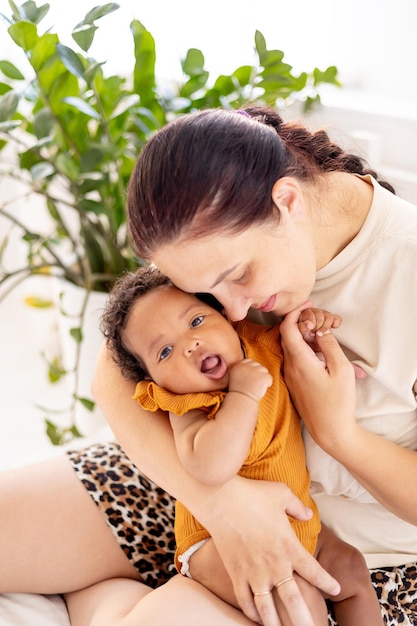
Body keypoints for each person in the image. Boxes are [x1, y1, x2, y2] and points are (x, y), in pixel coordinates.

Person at [0, 104, 416, 626]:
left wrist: (338, 433)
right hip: (193, 491)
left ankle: (107, 606)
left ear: (286, 201)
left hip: (365, 564)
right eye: (207, 293)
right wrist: (224, 506)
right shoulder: (211, 234)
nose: (235, 311)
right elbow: (113, 371)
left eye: (238, 276)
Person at [97, 265, 382, 626]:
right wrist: (243, 394)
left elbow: (299, 348)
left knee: (351, 570)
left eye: (196, 321)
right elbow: (211, 467)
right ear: (153, 380)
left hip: (298, 524)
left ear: (226, 317)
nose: (190, 344)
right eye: (165, 351)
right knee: (299, 606)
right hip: (215, 541)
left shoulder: (260, 345)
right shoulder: (187, 403)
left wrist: (311, 330)